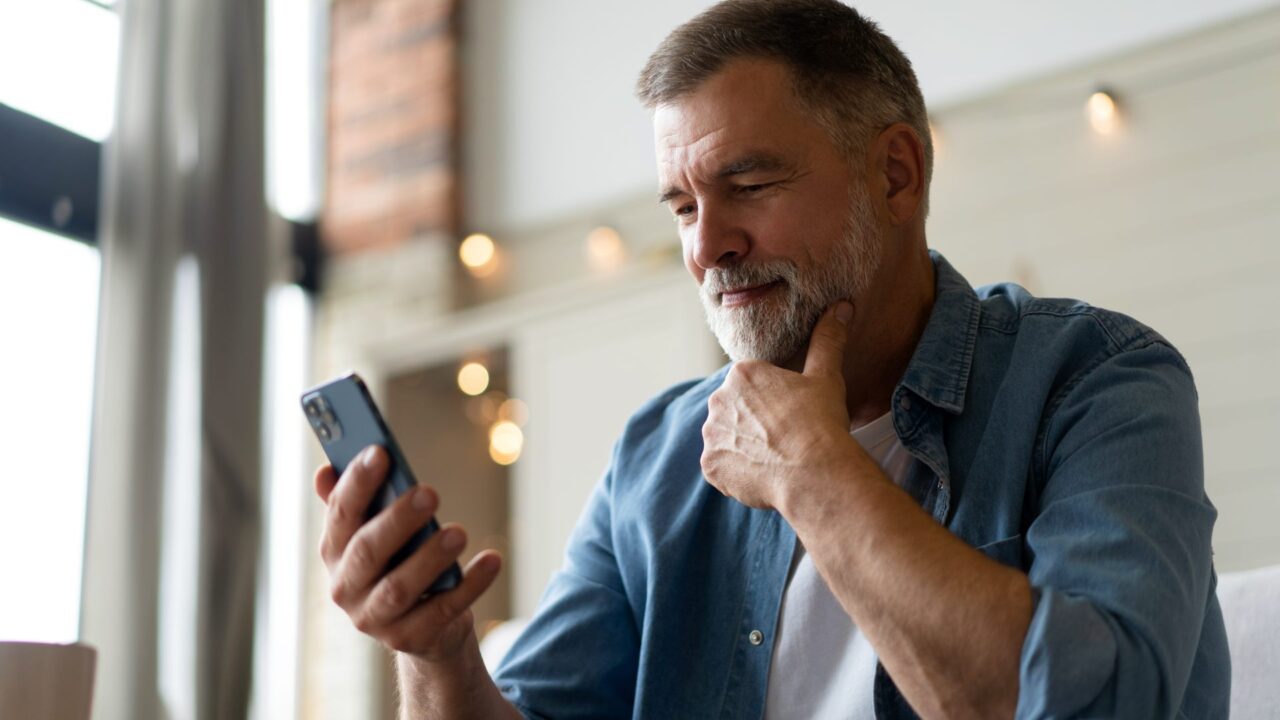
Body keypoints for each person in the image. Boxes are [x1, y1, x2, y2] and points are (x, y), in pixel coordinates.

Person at [312, 1, 1230, 717]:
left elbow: (1095, 706)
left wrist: (817, 476)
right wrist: (434, 653)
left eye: (748, 185)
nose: (708, 246)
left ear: (898, 174)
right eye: (680, 208)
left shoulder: (1098, 381)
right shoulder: (660, 454)